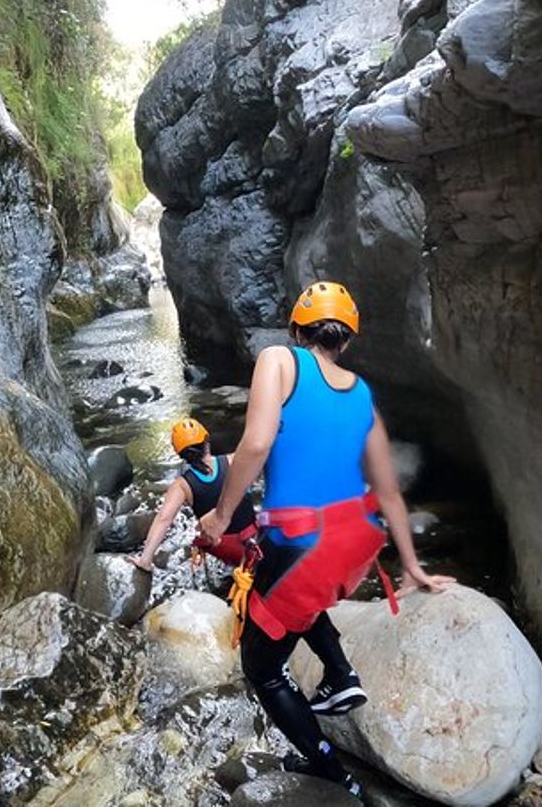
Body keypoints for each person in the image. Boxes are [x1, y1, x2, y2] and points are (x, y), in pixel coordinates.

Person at [198, 281, 455, 795]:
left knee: (263, 667)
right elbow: (388, 491)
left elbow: (256, 442)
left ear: (296, 329)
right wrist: (412, 565)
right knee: (303, 600)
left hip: (302, 542)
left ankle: (330, 771)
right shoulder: (362, 394)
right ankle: (340, 676)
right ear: (347, 340)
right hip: (357, 545)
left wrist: (222, 515)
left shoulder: (278, 359)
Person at [129, 417, 368, 716]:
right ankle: (337, 669)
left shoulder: (183, 486)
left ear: (180, 455)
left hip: (236, 553)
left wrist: (146, 559)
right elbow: (270, 461)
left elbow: (164, 520)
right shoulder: (231, 461)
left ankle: (335, 672)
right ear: (207, 442)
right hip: (260, 541)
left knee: (279, 603)